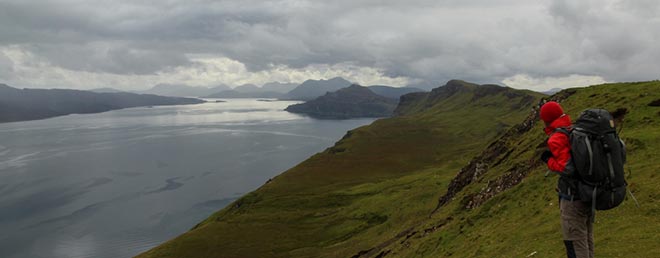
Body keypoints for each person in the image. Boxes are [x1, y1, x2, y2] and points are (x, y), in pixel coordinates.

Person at [539, 101, 594, 258]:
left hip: (572, 197)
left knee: (575, 243)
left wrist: (548, 160)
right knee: (587, 238)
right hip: (588, 192)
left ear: (546, 119)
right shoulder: (574, 129)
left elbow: (566, 168)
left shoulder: (556, 137)